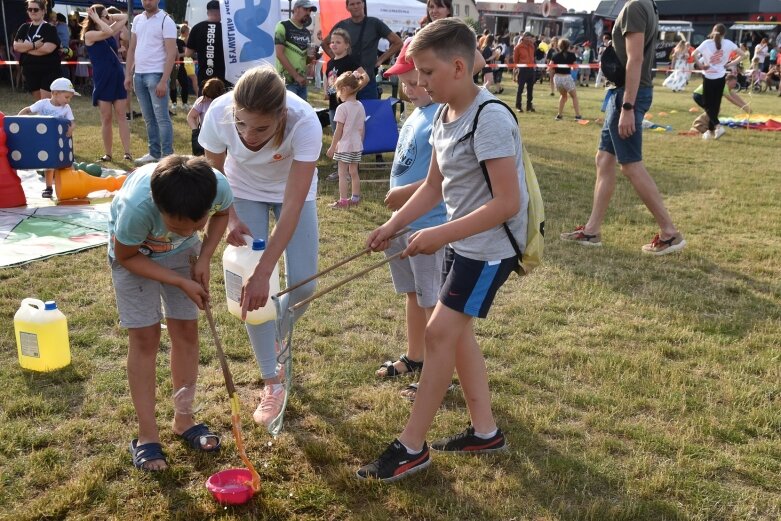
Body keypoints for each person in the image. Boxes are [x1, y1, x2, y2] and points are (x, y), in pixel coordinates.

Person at [357, 18, 527, 482]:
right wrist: (392, 226)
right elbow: (434, 186)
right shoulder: (443, 116)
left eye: (426, 73)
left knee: (437, 336)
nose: (420, 82)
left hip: (489, 248)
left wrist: (440, 235)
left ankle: (411, 447)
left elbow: (507, 203)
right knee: (456, 335)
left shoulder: (488, 117)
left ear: (458, 66)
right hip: (465, 242)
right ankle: (486, 431)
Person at [197, 65, 322, 428]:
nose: (249, 136)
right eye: (242, 125)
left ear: (281, 115)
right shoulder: (220, 112)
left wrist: (266, 270)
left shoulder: (304, 122)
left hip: (291, 193)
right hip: (241, 190)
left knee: (304, 284)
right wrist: (230, 216)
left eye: (261, 128)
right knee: (252, 294)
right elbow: (214, 172)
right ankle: (272, 381)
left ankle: (275, 336)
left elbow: (294, 205)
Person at [108, 155, 232, 472]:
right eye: (177, 226)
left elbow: (223, 214)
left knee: (187, 331)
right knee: (145, 339)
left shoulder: (214, 187)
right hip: (137, 256)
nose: (187, 229)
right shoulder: (137, 207)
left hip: (182, 256)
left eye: (195, 224)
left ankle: (183, 420)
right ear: (159, 207)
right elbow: (126, 256)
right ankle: (147, 436)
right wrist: (178, 280)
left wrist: (203, 257)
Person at [560, 0, 685, 255]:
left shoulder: (635, 6)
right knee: (604, 159)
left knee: (630, 165)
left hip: (626, 96)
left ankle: (670, 233)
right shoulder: (645, 5)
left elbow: (635, 59)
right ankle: (592, 230)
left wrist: (627, 106)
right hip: (623, 93)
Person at [375, 39, 447, 402]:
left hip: (429, 223)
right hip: (403, 222)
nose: (409, 88)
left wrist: (406, 194)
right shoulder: (416, 112)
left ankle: (439, 371)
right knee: (413, 295)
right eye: (404, 82)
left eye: (416, 80)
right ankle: (415, 356)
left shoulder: (441, 114)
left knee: (434, 302)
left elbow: (447, 175)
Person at [124, 0, 178, 165]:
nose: (147, 1)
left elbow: (171, 53)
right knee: (148, 118)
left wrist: (163, 80)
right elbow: (132, 49)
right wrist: (128, 74)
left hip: (156, 75)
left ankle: (167, 155)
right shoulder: (138, 20)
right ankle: (154, 153)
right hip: (139, 75)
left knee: (162, 118)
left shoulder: (166, 21)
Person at [321, 0, 403, 100]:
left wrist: (380, 60)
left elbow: (398, 42)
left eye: (358, 3)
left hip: (367, 81)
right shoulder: (342, 25)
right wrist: (337, 59)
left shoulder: (374, 23)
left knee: (368, 114)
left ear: (363, 4)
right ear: (347, 7)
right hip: (346, 84)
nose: (356, 6)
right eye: (352, 4)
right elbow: (324, 43)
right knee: (345, 114)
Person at [82, 4, 132, 163]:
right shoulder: (90, 34)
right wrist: (97, 18)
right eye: (104, 16)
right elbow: (109, 31)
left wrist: (107, 15)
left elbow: (124, 18)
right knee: (106, 117)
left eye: (107, 16)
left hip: (117, 76)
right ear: (95, 18)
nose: (108, 18)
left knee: (121, 115)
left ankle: (127, 152)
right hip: (103, 78)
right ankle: (108, 153)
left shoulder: (106, 29)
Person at [18, 77, 77, 198]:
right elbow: (28, 110)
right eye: (67, 97)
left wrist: (71, 128)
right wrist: (18, 119)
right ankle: (49, 187)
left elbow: (72, 122)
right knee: (49, 165)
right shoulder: (43, 103)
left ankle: (72, 184)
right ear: (55, 93)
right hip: (45, 142)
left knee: (68, 163)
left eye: (70, 98)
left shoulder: (66, 108)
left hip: (61, 142)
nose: (68, 101)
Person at [693, 24, 744, 141]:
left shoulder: (706, 43)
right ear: (724, 33)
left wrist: (701, 65)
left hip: (709, 77)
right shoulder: (729, 43)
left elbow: (693, 54)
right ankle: (711, 131)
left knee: (708, 104)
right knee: (715, 105)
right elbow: (743, 55)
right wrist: (730, 64)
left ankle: (717, 126)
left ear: (713, 31)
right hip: (721, 77)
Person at [326, 70, 368, 208]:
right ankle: (355, 198)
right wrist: (360, 142)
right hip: (356, 145)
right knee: (354, 172)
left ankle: (343, 201)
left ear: (344, 89)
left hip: (344, 146)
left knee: (342, 173)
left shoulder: (342, 108)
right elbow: (362, 127)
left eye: (338, 90)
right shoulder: (360, 106)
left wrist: (332, 147)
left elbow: (339, 130)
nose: (337, 93)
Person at [13, 0, 61, 100]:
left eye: (36, 9)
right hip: (30, 70)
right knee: (39, 104)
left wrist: (26, 48)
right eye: (30, 9)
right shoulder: (24, 27)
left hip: (48, 70)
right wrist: (35, 45)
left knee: (45, 102)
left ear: (43, 11)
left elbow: (47, 49)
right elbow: (16, 47)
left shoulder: (49, 28)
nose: (32, 12)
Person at [275, 0, 317, 100]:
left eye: (310, 10)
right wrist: (296, 76)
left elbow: (309, 58)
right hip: (286, 81)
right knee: (288, 113)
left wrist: (311, 64)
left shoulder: (307, 32)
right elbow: (279, 54)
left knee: (302, 114)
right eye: (306, 9)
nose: (308, 13)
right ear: (296, 9)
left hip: (302, 82)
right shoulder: (283, 26)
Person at [185, 0, 229, 91]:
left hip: (204, 77)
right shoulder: (227, 29)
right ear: (221, 12)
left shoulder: (197, 28)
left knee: (204, 102)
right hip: (224, 77)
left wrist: (201, 51)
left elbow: (188, 53)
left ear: (207, 12)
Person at [325, 28, 360, 132]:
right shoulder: (330, 62)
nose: (334, 44)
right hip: (333, 105)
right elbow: (327, 77)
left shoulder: (351, 62)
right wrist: (326, 91)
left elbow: (364, 77)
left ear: (346, 45)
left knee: (346, 136)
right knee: (336, 134)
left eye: (338, 42)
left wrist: (353, 91)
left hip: (347, 106)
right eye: (332, 42)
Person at [187, 78, 226, 156]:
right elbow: (190, 117)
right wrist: (195, 131)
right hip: (204, 135)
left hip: (221, 136)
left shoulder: (225, 103)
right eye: (206, 95)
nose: (208, 98)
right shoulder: (202, 101)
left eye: (210, 97)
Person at [551, 39, 582, 121]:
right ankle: (577, 115)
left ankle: (559, 115)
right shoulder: (572, 55)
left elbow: (550, 67)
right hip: (566, 78)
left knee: (563, 96)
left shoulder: (555, 55)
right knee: (574, 96)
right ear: (568, 46)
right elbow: (575, 68)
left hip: (557, 78)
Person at [513, 31, 537, 113]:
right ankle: (518, 106)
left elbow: (532, 57)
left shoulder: (532, 46)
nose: (529, 39)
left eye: (530, 37)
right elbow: (515, 60)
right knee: (520, 89)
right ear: (523, 37)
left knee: (530, 89)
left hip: (531, 69)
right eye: (527, 37)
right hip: (522, 70)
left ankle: (529, 106)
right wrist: (516, 71)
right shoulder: (518, 47)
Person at [170, 25, 191, 113]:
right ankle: (174, 103)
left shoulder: (180, 42)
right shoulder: (168, 41)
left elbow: (186, 53)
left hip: (180, 66)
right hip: (170, 66)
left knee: (185, 84)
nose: (177, 33)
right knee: (172, 85)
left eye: (178, 31)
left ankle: (185, 103)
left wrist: (178, 55)